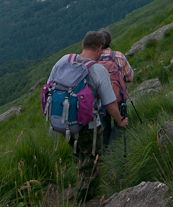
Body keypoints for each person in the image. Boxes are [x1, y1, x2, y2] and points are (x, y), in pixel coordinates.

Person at [44, 31, 128, 201]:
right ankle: (84, 198)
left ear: (83, 45)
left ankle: (81, 172)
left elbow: (49, 87)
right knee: (90, 159)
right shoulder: (98, 70)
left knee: (79, 152)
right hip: (87, 126)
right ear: (98, 48)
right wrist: (120, 121)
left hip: (62, 121)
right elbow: (110, 104)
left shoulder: (64, 60)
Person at [97, 28, 134, 147]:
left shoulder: (93, 60)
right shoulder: (119, 56)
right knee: (120, 123)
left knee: (105, 126)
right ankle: (112, 152)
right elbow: (130, 77)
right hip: (117, 98)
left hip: (100, 100)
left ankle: (104, 152)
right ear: (110, 43)